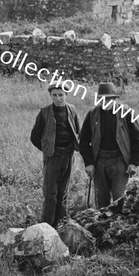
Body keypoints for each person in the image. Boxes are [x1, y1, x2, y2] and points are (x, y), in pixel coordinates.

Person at [79, 82, 139, 208]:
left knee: (119, 198)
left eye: (109, 98)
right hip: (99, 161)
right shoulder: (93, 114)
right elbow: (84, 141)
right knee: (101, 199)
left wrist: (134, 163)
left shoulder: (126, 112)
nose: (106, 102)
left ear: (114, 99)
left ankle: (119, 226)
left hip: (120, 161)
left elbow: (137, 140)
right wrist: (89, 163)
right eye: (103, 99)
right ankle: (101, 226)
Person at [30, 82, 80, 228]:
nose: (58, 98)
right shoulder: (45, 112)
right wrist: (48, 150)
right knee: (50, 194)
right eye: (55, 95)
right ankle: (47, 225)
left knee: (63, 192)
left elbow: (78, 130)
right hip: (53, 157)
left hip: (68, 155)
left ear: (66, 95)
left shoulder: (72, 110)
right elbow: (34, 137)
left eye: (61, 95)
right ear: (50, 96)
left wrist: (72, 148)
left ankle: (61, 223)